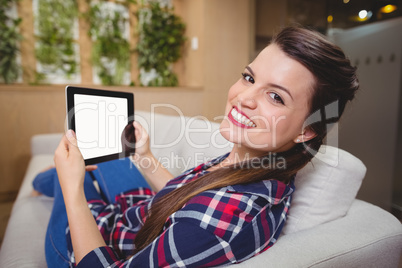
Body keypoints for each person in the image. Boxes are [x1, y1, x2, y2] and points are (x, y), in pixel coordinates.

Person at [33, 26, 359, 267]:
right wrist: (145, 157)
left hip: (93, 248)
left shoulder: (225, 219)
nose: (243, 99)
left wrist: (72, 187)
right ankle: (63, 176)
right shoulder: (251, 164)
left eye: (275, 96)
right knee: (112, 158)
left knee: (74, 179)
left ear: (307, 131)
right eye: (249, 78)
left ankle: (52, 180)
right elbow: (187, 194)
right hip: (137, 216)